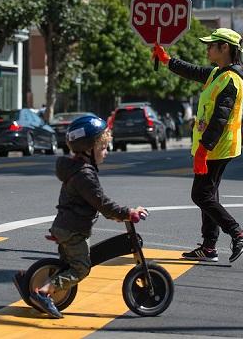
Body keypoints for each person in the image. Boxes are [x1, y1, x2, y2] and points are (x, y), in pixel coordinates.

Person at [13, 115, 148, 318]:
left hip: (67, 225)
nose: (106, 152)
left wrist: (121, 213)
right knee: (81, 269)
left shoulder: (77, 169)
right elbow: (101, 203)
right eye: (102, 147)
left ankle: (29, 280)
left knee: (68, 264)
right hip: (73, 230)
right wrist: (127, 213)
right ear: (88, 148)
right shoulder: (84, 175)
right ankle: (43, 292)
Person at [152, 27, 243, 263]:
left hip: (217, 147)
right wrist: (168, 60)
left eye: (211, 45)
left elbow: (221, 118)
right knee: (210, 194)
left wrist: (203, 150)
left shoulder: (231, 80)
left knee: (200, 195)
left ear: (225, 48)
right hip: (214, 147)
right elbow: (193, 71)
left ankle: (238, 233)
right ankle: (209, 246)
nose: (207, 49)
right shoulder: (219, 74)